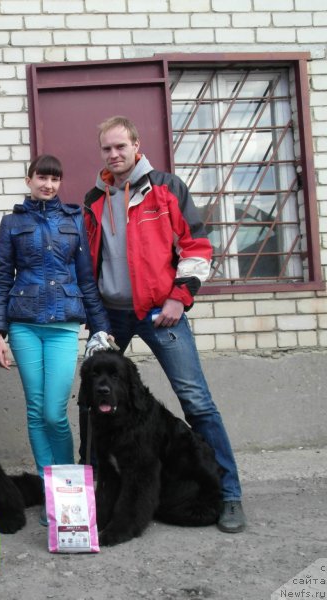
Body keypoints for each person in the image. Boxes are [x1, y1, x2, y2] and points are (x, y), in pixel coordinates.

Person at [80, 115, 246, 534]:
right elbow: (90, 262)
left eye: (121, 146)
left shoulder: (167, 188)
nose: (114, 155)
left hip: (160, 311)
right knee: (90, 400)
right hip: (112, 316)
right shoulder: (93, 199)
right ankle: (95, 496)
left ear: (136, 145)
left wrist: (179, 296)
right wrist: (95, 319)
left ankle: (228, 495)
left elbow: (197, 246)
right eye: (107, 149)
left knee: (197, 401)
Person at [0, 154, 111, 525]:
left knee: (55, 411)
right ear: (29, 180)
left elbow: (87, 280)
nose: (49, 185)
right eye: (42, 177)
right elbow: (2, 279)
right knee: (35, 409)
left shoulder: (75, 220)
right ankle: (49, 487)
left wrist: (99, 327)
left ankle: (68, 482)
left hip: (63, 326)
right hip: (24, 324)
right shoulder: (12, 223)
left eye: (55, 179)